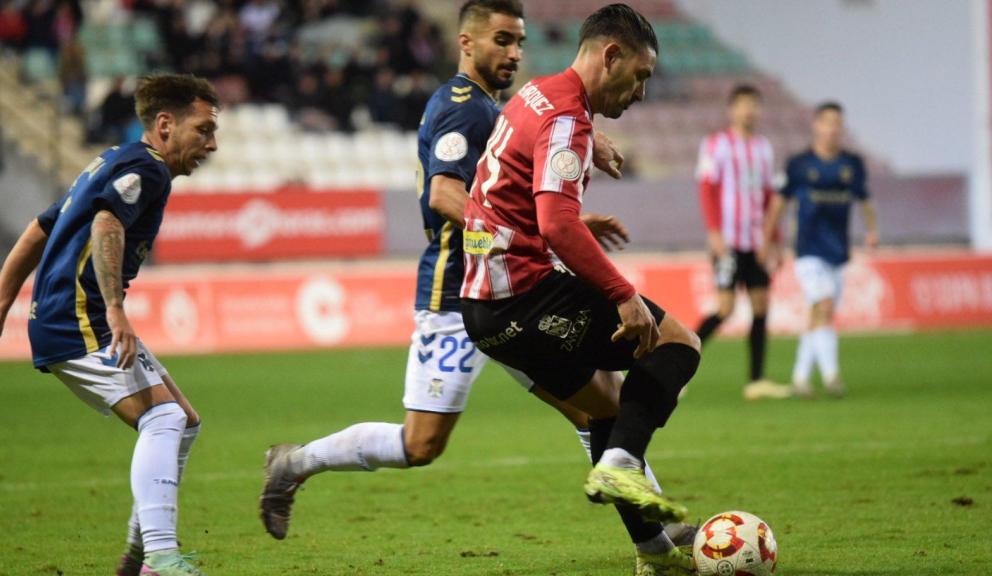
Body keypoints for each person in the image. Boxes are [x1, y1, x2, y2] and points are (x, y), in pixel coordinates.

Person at [258, 1, 695, 566]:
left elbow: (520, 186)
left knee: (598, 407)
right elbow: (444, 195)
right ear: (466, 42)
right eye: (501, 41)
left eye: (519, 42)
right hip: (456, 290)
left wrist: (554, 216)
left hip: (497, 288)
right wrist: (530, 234)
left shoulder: (508, 105)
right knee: (421, 445)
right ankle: (294, 463)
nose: (514, 53)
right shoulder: (463, 108)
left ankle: (654, 537)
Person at [458, 4, 700, 575]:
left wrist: (592, 145)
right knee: (677, 344)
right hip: (524, 293)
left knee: (606, 412)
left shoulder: (537, 94)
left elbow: (519, 174)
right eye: (639, 76)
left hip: (482, 311)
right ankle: (622, 461)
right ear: (610, 56)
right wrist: (624, 293)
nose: (640, 93)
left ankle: (655, 554)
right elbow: (557, 224)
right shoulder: (568, 117)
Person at [0, 74, 220, 576]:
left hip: (72, 313)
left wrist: (2, 301)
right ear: (165, 125)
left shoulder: (111, 160)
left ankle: (137, 560)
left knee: (184, 422)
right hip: (77, 317)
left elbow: (41, 227)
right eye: (204, 129)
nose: (211, 144)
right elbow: (108, 224)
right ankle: (163, 559)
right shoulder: (144, 169)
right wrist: (116, 310)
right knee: (163, 419)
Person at [762, 101, 879, 397]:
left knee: (819, 313)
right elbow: (779, 203)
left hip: (838, 250)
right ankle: (831, 376)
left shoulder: (852, 165)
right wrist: (769, 240)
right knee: (824, 306)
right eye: (826, 122)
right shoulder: (799, 164)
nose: (832, 128)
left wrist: (872, 230)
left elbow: (864, 200)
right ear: (816, 125)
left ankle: (800, 378)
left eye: (837, 123)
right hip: (808, 250)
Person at [694, 84, 788, 400]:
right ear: (732, 109)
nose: (749, 110)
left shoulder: (763, 148)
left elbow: (768, 196)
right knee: (725, 308)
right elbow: (707, 189)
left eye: (754, 105)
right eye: (744, 104)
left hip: (756, 242)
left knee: (761, 306)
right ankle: (673, 369)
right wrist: (715, 233)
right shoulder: (716, 145)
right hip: (729, 241)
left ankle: (756, 380)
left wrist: (775, 238)